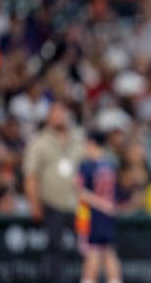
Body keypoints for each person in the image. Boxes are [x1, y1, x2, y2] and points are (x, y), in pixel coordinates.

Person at [23, 101, 86, 283]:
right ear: (49, 116)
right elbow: (31, 175)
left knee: (87, 247)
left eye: (62, 112)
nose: (59, 117)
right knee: (54, 248)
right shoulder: (39, 141)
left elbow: (90, 166)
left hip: (78, 202)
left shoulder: (78, 137)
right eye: (55, 113)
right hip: (52, 203)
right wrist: (34, 203)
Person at [75, 131, 122, 283]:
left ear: (91, 144)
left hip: (94, 214)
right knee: (108, 250)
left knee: (94, 251)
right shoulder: (111, 163)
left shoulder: (87, 165)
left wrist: (101, 204)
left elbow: (81, 192)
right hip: (109, 214)